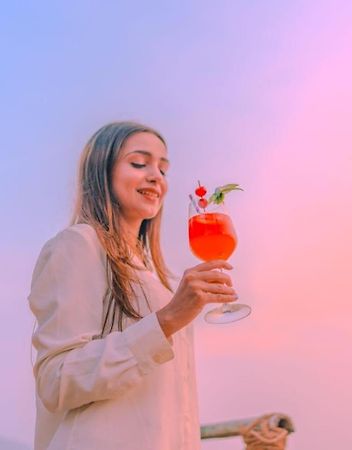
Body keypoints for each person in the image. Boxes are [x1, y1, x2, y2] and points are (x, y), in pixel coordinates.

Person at [28, 121, 238, 450]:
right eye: (139, 163)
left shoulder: (155, 275)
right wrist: (167, 320)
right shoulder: (78, 245)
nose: (156, 176)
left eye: (163, 169)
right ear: (102, 171)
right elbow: (57, 380)